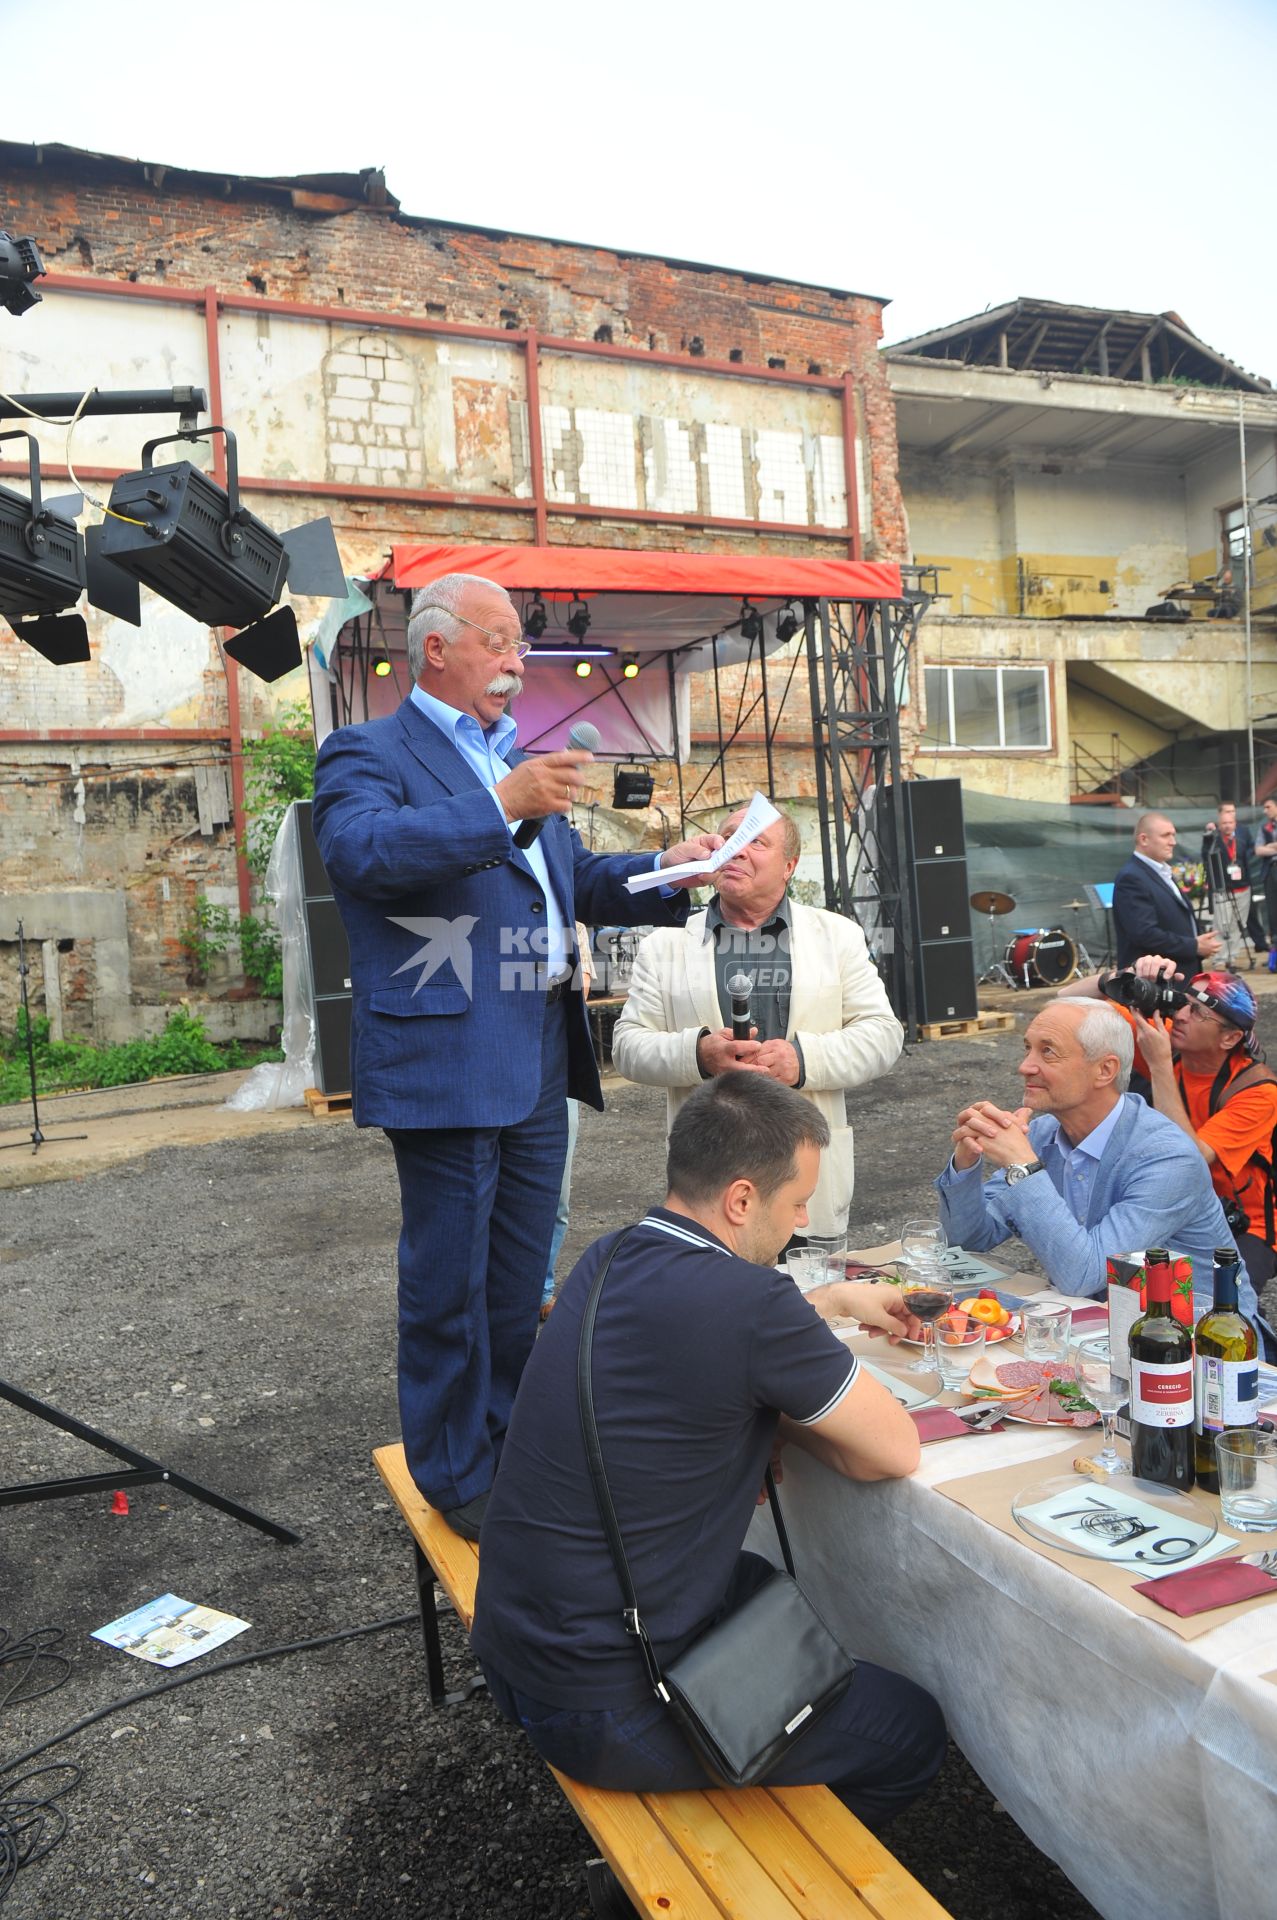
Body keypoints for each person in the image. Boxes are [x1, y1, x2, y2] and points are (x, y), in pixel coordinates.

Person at [311, 572, 723, 1539]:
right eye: (497, 642)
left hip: (538, 1044)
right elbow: (364, 854)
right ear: (438, 648)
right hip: (449, 1054)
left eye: (518, 645)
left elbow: (570, 880)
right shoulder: (368, 751)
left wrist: (672, 870)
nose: (515, 663)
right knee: (449, 1283)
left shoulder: (509, 759)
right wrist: (500, 802)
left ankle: (502, 1444)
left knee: (517, 1279)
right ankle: (454, 1476)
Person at [471, 1072, 946, 1828]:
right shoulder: (753, 1306)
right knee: (911, 1729)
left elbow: (700, 1347)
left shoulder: (608, 1256)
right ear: (739, 1200)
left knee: (756, 1584)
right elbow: (888, 1452)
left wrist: (821, 1310)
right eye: (795, 1205)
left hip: (515, 1647)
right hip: (606, 1707)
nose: (798, 1225)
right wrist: (782, 1400)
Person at [611, 805, 903, 1241]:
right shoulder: (665, 946)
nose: (738, 851)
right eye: (729, 838)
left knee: (810, 1297)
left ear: (789, 866)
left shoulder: (836, 935)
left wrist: (803, 1060)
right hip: (708, 1173)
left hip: (803, 1170)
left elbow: (883, 1033)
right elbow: (628, 1047)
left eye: (756, 842)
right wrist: (698, 1054)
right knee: (715, 1301)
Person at [934, 999, 1253, 1317]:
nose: (1025, 1066)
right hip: (1106, 1330)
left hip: (1205, 1345)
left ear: (1105, 1070)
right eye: (1027, 1048)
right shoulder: (1045, 1134)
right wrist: (967, 1159)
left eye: (1047, 1051)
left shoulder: (1167, 1158)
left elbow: (1082, 1275)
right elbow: (970, 1241)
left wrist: (1022, 1165)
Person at [1062, 959, 1277, 1300]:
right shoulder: (1166, 1045)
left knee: (1227, 1301)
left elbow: (1189, 1159)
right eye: (1182, 1004)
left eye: (1197, 1013)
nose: (1180, 1016)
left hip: (1246, 1225)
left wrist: (1159, 1063)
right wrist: (1119, 977)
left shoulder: (1259, 1092)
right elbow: (1067, 1002)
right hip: (1170, 1204)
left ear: (1231, 1037)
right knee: (1130, 1293)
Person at [1113, 811, 1221, 975]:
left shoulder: (1161, 872)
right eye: (1166, 836)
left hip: (1177, 976)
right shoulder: (1132, 877)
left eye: (1173, 835)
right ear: (1144, 839)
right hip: (1154, 983)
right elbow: (1145, 934)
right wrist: (1194, 946)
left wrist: (1198, 942)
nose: (1173, 842)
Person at [1200, 802, 1255, 968]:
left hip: (1242, 887)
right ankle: (1220, 959)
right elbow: (1205, 856)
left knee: (1238, 925)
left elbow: (1248, 857)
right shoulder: (1213, 838)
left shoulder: (1241, 837)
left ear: (1235, 823)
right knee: (1221, 925)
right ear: (1219, 823)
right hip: (1222, 888)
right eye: (1224, 823)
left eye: (1230, 823)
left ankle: (1232, 956)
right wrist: (1208, 836)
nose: (1227, 826)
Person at [1255, 797, 1277, 970]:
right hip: (1270, 872)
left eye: (1268, 807)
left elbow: (1266, 848)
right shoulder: (1265, 827)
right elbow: (1259, 850)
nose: (1265, 810)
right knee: (1272, 912)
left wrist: (1272, 845)